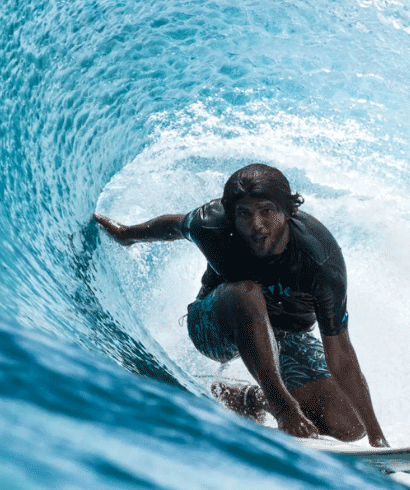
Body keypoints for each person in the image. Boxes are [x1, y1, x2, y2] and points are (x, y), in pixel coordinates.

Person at [95, 164, 388, 446]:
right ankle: (282, 407)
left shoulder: (320, 263)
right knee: (245, 292)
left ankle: (249, 398)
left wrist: (376, 436)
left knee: (349, 426)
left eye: (266, 212)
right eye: (244, 214)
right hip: (215, 326)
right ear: (231, 214)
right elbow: (176, 225)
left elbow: (340, 354)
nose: (255, 226)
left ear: (288, 211)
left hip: (286, 337)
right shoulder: (212, 224)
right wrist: (126, 235)